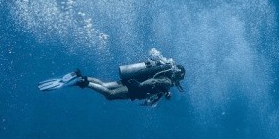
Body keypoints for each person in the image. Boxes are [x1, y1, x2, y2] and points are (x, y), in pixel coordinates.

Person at [38, 49, 185, 107]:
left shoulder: (164, 74)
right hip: (135, 88)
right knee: (109, 95)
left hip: (131, 81)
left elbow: (154, 91)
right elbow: (153, 82)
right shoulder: (167, 81)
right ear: (177, 76)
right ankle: (83, 82)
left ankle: (81, 76)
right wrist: (140, 86)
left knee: (105, 84)